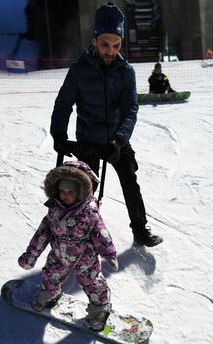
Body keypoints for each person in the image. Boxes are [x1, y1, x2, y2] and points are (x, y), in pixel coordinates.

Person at [50, 1, 163, 248]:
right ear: (94, 41)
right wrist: (59, 132)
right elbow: (63, 104)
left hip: (116, 139)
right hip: (88, 139)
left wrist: (119, 139)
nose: (111, 51)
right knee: (84, 190)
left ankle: (140, 230)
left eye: (116, 45)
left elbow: (130, 110)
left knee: (130, 181)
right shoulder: (79, 69)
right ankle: (82, 232)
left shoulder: (126, 72)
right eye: (105, 44)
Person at [18, 160, 119, 331]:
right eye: (62, 191)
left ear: (80, 193)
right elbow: (42, 233)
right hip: (59, 253)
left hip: (85, 257)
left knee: (92, 282)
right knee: (51, 274)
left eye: (70, 191)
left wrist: (109, 253)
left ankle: (100, 308)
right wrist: (31, 255)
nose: (65, 195)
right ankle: (50, 294)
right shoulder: (54, 209)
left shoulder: (89, 213)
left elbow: (101, 232)